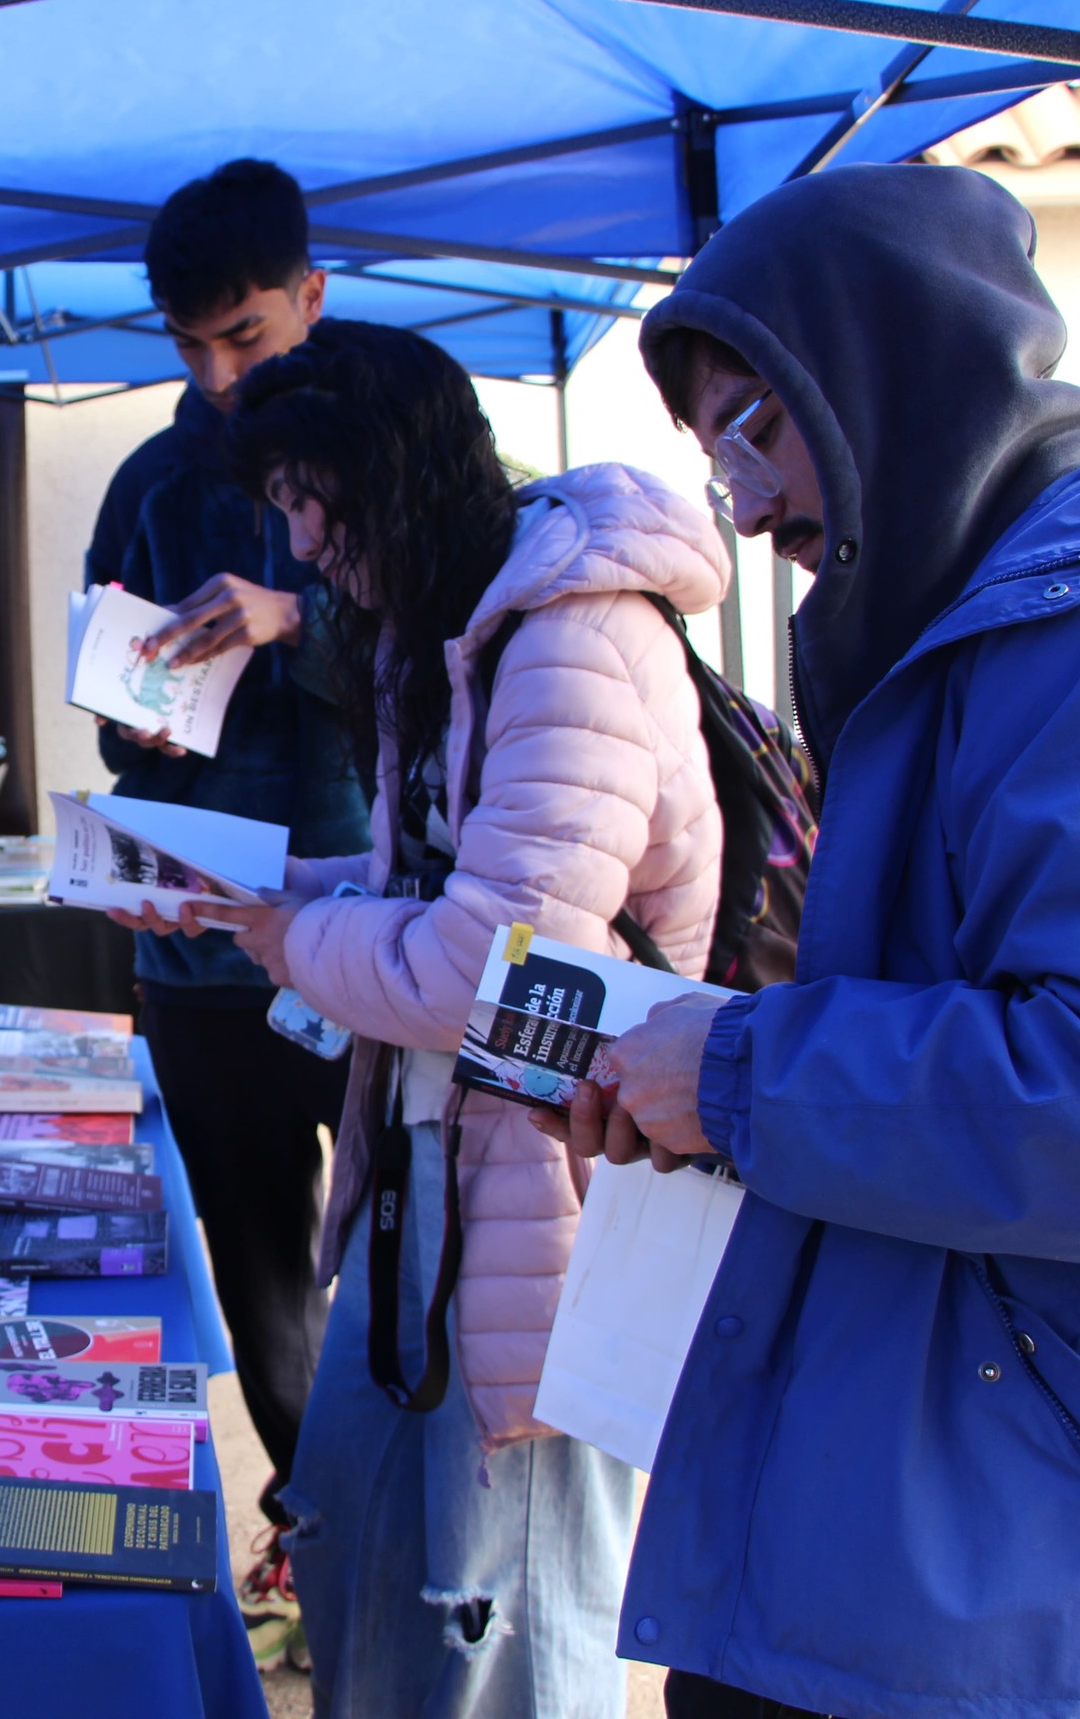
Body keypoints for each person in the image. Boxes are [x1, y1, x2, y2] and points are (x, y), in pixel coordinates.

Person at [545, 162, 1080, 1717]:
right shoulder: (984, 628)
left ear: (895, 377)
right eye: (716, 454)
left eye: (761, 427)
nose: (750, 500)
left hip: (1078, 1578)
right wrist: (708, 1095)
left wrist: (747, 1071)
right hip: (978, 1518)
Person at [179, 318, 729, 1718]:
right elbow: (416, 888)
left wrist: (280, 934)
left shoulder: (572, 645)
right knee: (378, 1569)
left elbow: (477, 968)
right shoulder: (453, 631)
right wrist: (247, 888)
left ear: (396, 479)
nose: (304, 547)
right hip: (432, 1188)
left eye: (315, 503)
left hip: (550, 1198)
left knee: (508, 1623)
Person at [83, 158, 370, 1575]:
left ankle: (405, 1522)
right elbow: (108, 692)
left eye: (244, 337)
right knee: (258, 1270)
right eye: (187, 346)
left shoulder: (399, 454)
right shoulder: (149, 477)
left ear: (312, 296)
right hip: (196, 938)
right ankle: (314, 1527)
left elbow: (470, 660)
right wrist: (125, 698)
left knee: (404, 1252)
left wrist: (296, 618)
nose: (215, 373)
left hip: (382, 942)